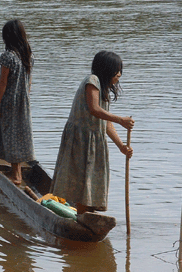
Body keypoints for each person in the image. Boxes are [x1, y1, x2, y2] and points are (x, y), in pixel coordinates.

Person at [50, 51, 134, 214]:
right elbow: (94, 109)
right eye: (116, 70)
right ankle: (81, 215)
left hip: (94, 142)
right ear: (105, 70)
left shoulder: (103, 88)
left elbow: (106, 123)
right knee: (82, 182)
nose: (119, 74)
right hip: (82, 140)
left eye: (120, 71)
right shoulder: (92, 80)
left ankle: (84, 215)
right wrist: (121, 120)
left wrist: (121, 146)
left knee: (90, 183)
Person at [0, 19, 35, 185]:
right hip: (24, 102)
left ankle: (16, 175)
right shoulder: (28, 56)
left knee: (10, 136)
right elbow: (29, 83)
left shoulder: (8, 57)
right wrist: (26, 98)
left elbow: (3, 83)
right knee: (20, 135)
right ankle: (16, 171)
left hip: (9, 102)